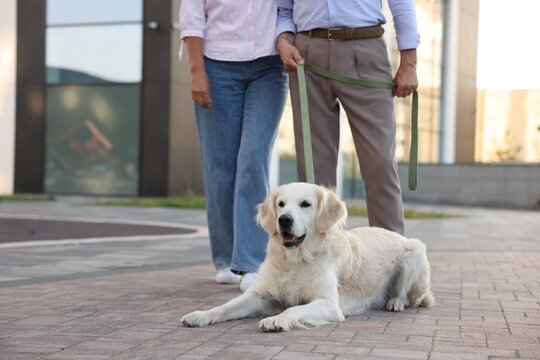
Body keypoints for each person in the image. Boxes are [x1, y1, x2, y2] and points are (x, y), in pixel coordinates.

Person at [275, 0, 420, 235]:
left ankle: (392, 256)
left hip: (365, 48)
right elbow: (284, 9)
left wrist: (409, 61)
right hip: (306, 54)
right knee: (314, 171)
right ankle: (319, 260)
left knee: (380, 161)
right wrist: (283, 40)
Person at [179, 0, 288, 291]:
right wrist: (197, 73)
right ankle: (227, 260)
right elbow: (191, 19)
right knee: (220, 166)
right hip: (216, 66)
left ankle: (251, 262)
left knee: (253, 159)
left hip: (269, 67)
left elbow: (287, 11)